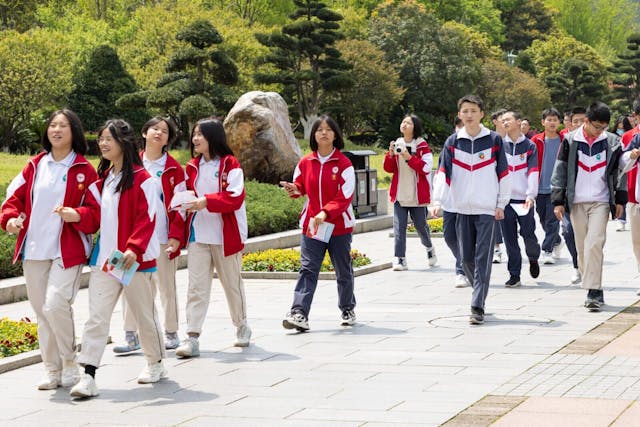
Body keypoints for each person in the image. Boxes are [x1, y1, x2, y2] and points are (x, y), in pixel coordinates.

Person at [0, 109, 98, 391]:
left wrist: (77, 214)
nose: (56, 130)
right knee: (42, 312)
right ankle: (51, 369)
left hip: (67, 249)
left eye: (63, 126)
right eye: (53, 125)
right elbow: (12, 199)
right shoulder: (34, 165)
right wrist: (10, 220)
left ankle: (70, 361)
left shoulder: (84, 170)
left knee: (56, 304)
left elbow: (95, 212)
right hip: (34, 249)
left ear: (74, 132)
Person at [69, 119, 167, 399]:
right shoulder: (104, 180)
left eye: (108, 139)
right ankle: (88, 374)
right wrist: (77, 216)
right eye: (100, 139)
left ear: (124, 142)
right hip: (105, 261)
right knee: (97, 318)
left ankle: (155, 362)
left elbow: (147, 219)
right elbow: (95, 216)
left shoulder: (144, 180)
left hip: (133, 261)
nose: (102, 144)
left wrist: (133, 249)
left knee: (143, 315)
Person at [175, 117, 251, 358]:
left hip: (224, 235)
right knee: (196, 287)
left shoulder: (230, 164)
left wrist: (206, 201)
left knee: (231, 284)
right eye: (194, 134)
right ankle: (192, 336)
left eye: (200, 134)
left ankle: (241, 325)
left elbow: (234, 197)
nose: (195, 138)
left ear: (213, 137)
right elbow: (185, 194)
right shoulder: (192, 167)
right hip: (199, 235)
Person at [433, 95, 511, 325]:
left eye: (473, 110)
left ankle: (477, 305)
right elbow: (443, 173)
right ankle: (478, 287)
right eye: (465, 111)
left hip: (486, 209)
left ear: (482, 114)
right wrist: (438, 200)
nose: (469, 115)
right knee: (466, 257)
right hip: (460, 208)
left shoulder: (494, 140)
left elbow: (503, 174)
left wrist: (500, 204)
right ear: (459, 115)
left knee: (483, 257)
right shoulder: (453, 142)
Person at [112, 117, 186, 354]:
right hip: (133, 239)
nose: (159, 133)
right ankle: (130, 334)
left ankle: (171, 332)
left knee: (166, 286)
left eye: (164, 131)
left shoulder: (174, 168)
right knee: (129, 284)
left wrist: (176, 236)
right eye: (155, 128)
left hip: (163, 237)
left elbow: (180, 206)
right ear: (144, 133)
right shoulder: (131, 164)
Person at [280, 115, 357, 332]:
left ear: (335, 135)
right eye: (319, 129)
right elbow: (301, 186)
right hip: (313, 225)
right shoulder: (306, 162)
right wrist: (294, 189)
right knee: (308, 268)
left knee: (342, 269)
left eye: (328, 129)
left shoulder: (344, 164)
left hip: (338, 226)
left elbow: (345, 196)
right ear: (313, 135)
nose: (324, 132)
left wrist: (326, 212)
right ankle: (299, 313)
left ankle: (347, 308)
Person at [551, 101, 626, 312]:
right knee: (582, 246)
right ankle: (591, 282)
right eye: (596, 126)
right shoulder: (570, 140)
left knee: (595, 242)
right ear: (586, 121)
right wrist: (558, 201)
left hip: (601, 201)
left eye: (603, 127)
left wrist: (620, 199)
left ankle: (594, 290)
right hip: (576, 201)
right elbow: (560, 170)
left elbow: (620, 172)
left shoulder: (612, 142)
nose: (599, 131)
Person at [384, 114, 436, 271]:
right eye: (403, 121)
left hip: (416, 195)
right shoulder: (397, 143)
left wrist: (408, 157)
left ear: (415, 127)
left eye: (408, 122)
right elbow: (389, 169)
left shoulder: (422, 146)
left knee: (421, 226)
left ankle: (429, 248)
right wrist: (390, 155)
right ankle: (400, 259)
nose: (404, 124)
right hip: (400, 193)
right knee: (399, 227)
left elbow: (426, 168)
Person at [500, 111, 540, 287]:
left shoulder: (530, 146)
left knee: (528, 234)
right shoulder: (500, 145)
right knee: (509, 238)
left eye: (508, 119)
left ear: (518, 122)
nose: (505, 122)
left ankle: (533, 257)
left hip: (524, 200)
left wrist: (531, 195)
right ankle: (514, 274)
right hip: (506, 201)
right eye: (503, 121)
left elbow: (533, 172)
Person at [531, 108, 564, 265]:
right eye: (549, 120)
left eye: (555, 120)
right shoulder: (536, 141)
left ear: (559, 122)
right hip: (539, 187)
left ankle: (547, 250)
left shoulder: (564, 140)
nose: (552, 122)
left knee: (552, 220)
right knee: (543, 219)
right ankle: (556, 240)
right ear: (543, 122)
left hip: (556, 188)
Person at [441, 116, 470, 288]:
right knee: (449, 236)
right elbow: (442, 172)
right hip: (450, 201)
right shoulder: (450, 144)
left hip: (467, 201)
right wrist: (438, 199)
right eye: (458, 126)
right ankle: (465, 259)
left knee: (463, 237)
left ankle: (460, 270)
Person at [490, 109, 508, 263]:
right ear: (495, 121)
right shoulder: (489, 139)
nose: (506, 121)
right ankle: (496, 248)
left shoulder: (512, 140)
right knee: (494, 217)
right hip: (492, 184)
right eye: (503, 118)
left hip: (510, 186)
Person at [612, 115, 633, 231]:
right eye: (619, 128)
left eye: (623, 128)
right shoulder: (612, 137)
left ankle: (621, 220)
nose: (621, 131)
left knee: (621, 191)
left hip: (624, 169)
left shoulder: (630, 136)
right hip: (614, 169)